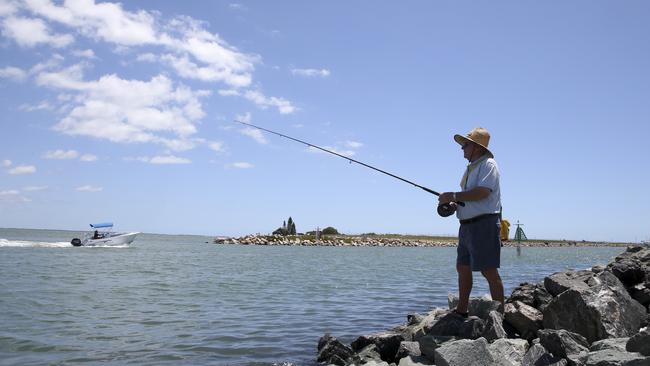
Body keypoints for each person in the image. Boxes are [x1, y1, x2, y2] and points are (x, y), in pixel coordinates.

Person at [438, 127, 504, 317]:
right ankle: (461, 309)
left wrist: (453, 195)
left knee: (488, 271)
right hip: (466, 226)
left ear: (476, 147)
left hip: (484, 224)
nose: (462, 149)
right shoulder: (471, 168)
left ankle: (500, 316)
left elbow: (483, 192)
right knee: (462, 267)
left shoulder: (489, 164)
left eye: (465, 145)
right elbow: (469, 199)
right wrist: (453, 205)